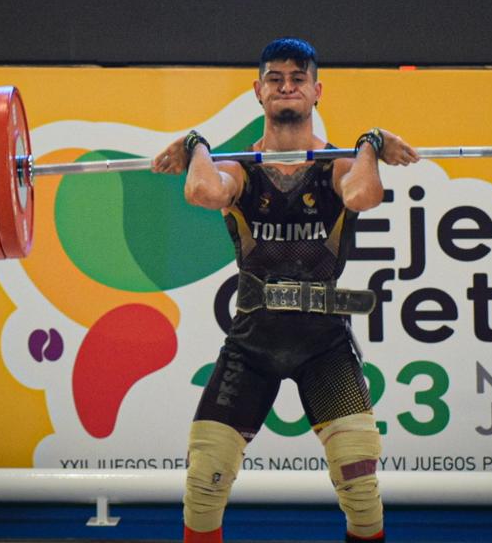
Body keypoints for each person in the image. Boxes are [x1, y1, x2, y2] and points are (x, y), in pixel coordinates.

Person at [152, 37, 419, 543]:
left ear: (317, 91)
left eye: (298, 78)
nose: (286, 86)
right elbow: (203, 192)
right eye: (275, 79)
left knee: (360, 487)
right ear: (258, 91)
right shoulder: (238, 168)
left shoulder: (339, 164)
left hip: (325, 346)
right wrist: (196, 145)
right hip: (252, 343)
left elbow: (364, 194)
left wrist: (368, 143)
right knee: (203, 482)